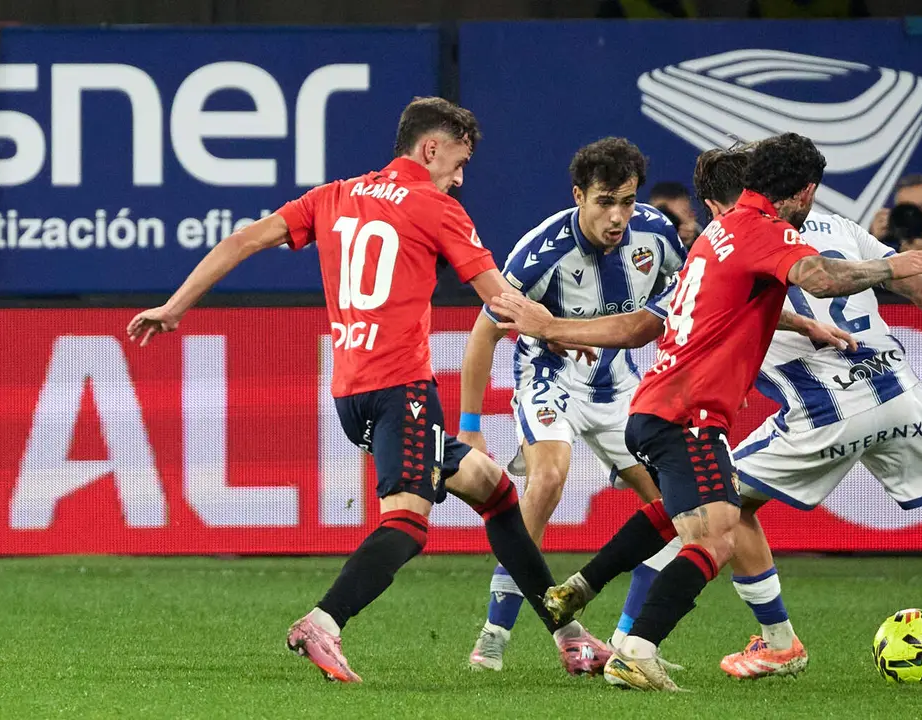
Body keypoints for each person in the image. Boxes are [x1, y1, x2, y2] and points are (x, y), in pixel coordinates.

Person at [494, 146, 922, 688]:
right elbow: (917, 290)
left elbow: (661, 321)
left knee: (712, 515)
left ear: (714, 203)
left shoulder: (725, 238)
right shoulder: (830, 229)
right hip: (898, 394)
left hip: (813, 414)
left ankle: (738, 640)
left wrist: (553, 327)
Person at [124, 97, 610, 683]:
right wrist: (558, 329)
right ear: (430, 148)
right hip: (401, 389)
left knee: (495, 491)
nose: (460, 178)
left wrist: (176, 307)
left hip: (350, 395)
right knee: (407, 524)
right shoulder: (436, 206)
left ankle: (569, 637)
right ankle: (324, 622)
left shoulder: (333, 195)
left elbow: (243, 241)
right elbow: (498, 297)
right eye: (459, 162)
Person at [458, 137, 688, 671]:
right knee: (549, 478)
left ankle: (629, 642)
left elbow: (688, 301)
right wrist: (470, 427)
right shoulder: (541, 252)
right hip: (550, 379)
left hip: (622, 386)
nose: (618, 216)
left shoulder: (656, 233)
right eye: (605, 201)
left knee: (674, 509)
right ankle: (494, 632)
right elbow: (482, 335)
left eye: (627, 201)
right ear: (579, 195)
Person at [648, 181, 702, 246]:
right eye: (664, 214)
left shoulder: (704, 241)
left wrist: (693, 242)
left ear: (692, 216)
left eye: (675, 220)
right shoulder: (636, 233)